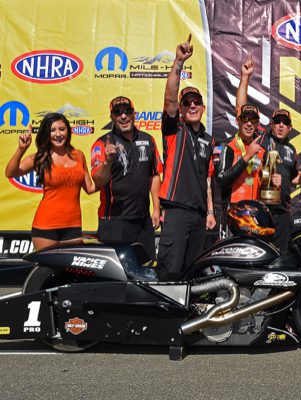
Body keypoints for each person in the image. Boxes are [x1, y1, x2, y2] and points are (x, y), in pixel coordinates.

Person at [157, 34, 216, 280]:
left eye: (197, 102)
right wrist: (179, 63)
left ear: (203, 108)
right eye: (187, 102)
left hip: (199, 213)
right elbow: (170, 96)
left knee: (194, 273)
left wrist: (210, 212)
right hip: (176, 210)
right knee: (171, 270)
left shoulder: (209, 139)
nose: (192, 105)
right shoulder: (175, 128)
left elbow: (208, 181)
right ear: (181, 109)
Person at [234, 55, 298, 252]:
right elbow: (241, 109)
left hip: (283, 211)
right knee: (258, 253)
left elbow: (295, 177)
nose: (281, 125)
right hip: (262, 209)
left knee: (281, 256)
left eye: (285, 123)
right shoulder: (262, 137)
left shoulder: (292, 149)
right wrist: (245, 77)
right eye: (277, 121)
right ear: (271, 125)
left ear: (290, 128)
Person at [5, 113, 95, 250]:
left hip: (73, 226)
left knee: (72, 271)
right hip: (45, 227)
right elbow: (10, 172)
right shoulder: (40, 157)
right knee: (46, 270)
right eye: (52, 130)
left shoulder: (79, 155)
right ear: (46, 134)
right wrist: (21, 149)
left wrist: (108, 164)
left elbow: (90, 188)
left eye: (62, 129)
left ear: (68, 131)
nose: (58, 134)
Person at [91, 96, 162, 261]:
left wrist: (156, 209)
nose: (123, 116)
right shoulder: (102, 144)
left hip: (143, 221)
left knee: (146, 270)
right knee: (115, 275)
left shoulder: (148, 140)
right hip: (114, 221)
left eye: (127, 111)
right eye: (118, 112)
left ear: (134, 114)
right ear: (112, 118)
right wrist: (108, 162)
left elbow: (154, 175)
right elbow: (99, 181)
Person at [215, 104, 266, 207]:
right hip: (233, 210)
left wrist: (273, 182)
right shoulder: (225, 146)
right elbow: (221, 181)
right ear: (237, 121)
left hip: (255, 211)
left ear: (258, 124)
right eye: (245, 118)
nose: (249, 124)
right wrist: (247, 156)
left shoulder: (262, 151)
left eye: (253, 120)